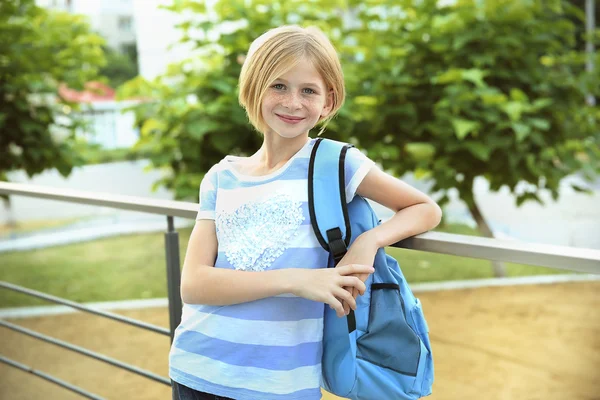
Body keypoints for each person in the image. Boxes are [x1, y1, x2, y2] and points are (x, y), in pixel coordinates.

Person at [169, 25, 442, 400]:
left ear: (328, 102)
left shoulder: (336, 162)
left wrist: (368, 240)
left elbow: (424, 208)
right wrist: (296, 279)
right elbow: (195, 284)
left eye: (308, 90)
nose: (292, 102)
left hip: (281, 385)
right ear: (253, 88)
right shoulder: (222, 176)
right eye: (278, 86)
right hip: (196, 370)